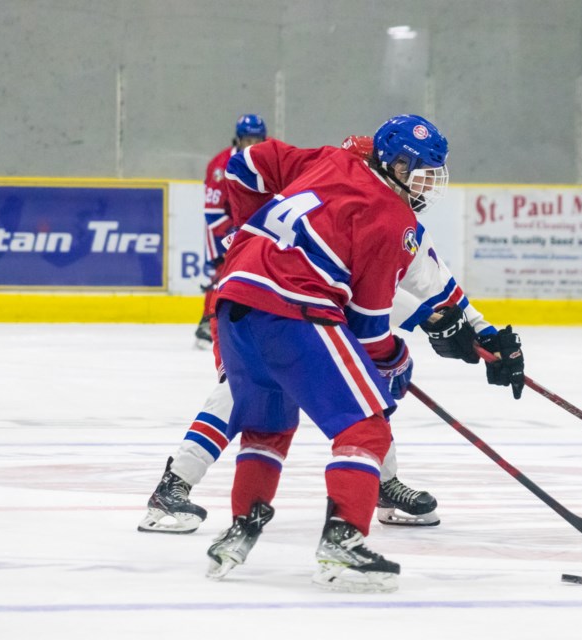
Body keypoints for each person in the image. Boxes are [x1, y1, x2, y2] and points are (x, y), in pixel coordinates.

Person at [137, 133, 524, 537]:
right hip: (270, 296)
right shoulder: (346, 184)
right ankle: (175, 484)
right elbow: (373, 306)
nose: (427, 187)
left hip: (306, 304)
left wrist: (484, 332)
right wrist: (414, 334)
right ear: (393, 166)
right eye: (421, 175)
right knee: (239, 393)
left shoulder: (382, 206)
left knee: (364, 393)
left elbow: (431, 281)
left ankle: (379, 484)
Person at [194, 113, 268, 349]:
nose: (253, 145)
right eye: (248, 140)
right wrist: (235, 236)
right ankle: (207, 322)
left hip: (252, 228)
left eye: (258, 140)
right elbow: (213, 212)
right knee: (223, 273)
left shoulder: (269, 159)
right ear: (238, 140)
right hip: (224, 228)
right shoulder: (220, 166)